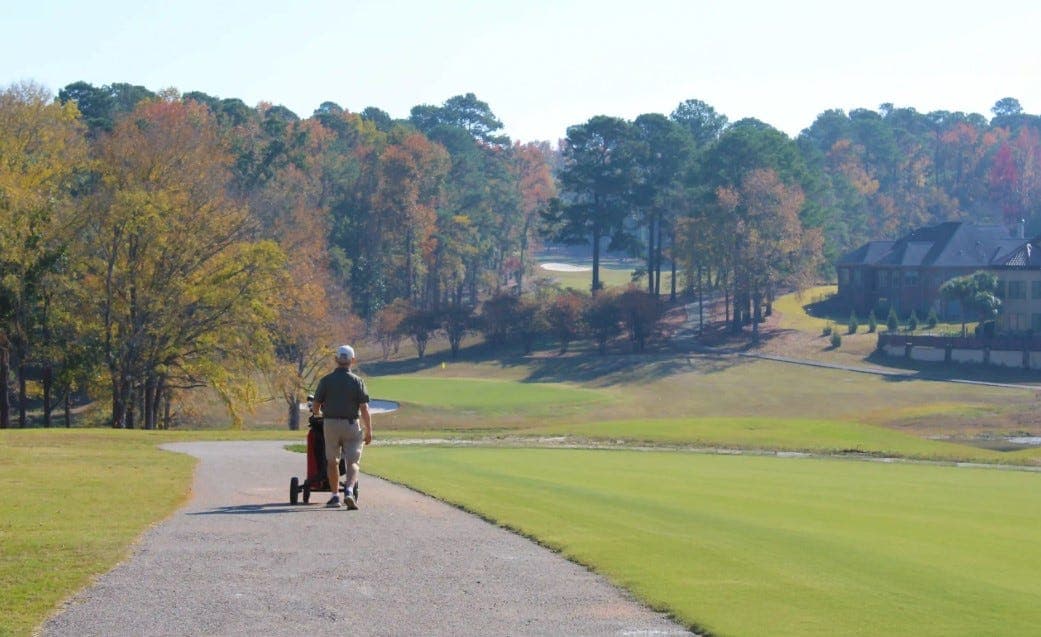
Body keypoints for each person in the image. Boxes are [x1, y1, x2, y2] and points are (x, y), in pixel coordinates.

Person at [311, 344, 372, 509]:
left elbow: (315, 406)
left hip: (330, 424)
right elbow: (364, 408)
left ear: (336, 359)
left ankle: (335, 496)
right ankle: (350, 491)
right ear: (352, 360)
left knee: (332, 461)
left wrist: (319, 413)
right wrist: (369, 431)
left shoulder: (326, 381)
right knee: (353, 461)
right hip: (351, 424)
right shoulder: (357, 381)